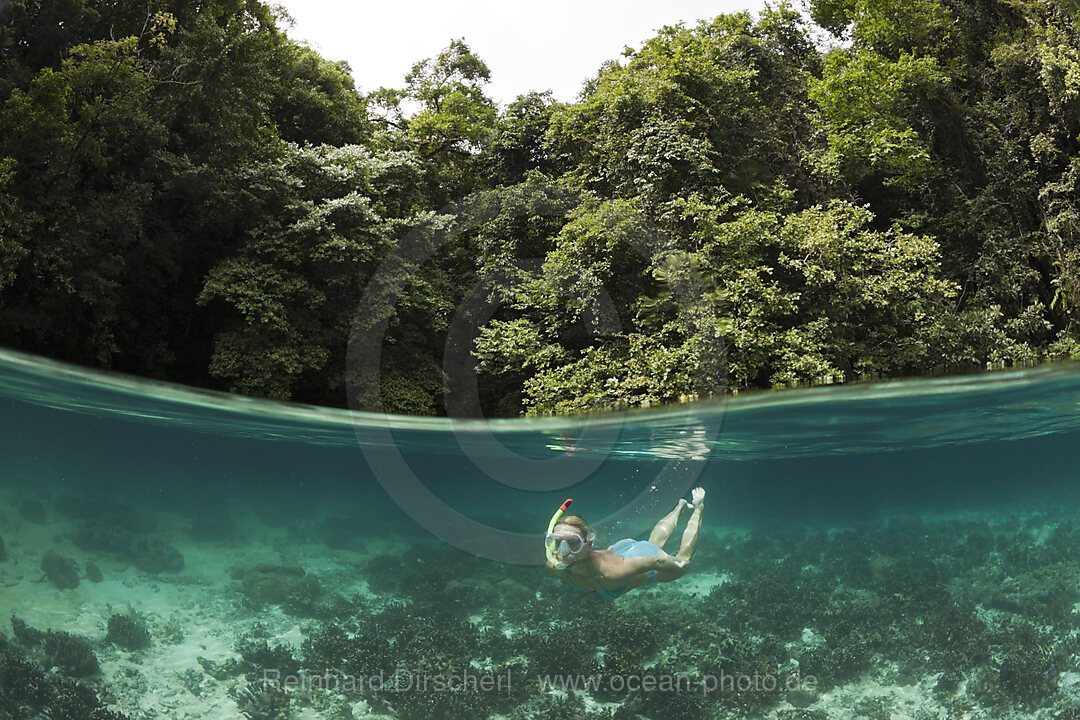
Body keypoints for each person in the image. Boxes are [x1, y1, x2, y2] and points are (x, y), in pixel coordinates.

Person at [544, 488, 705, 600]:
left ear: (588, 545)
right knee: (653, 542)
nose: (563, 551)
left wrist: (682, 566)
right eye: (558, 542)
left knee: (682, 560)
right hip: (619, 551)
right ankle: (679, 508)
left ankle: (698, 507)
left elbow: (656, 560)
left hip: (636, 556)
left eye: (573, 543)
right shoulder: (554, 567)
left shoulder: (611, 574)